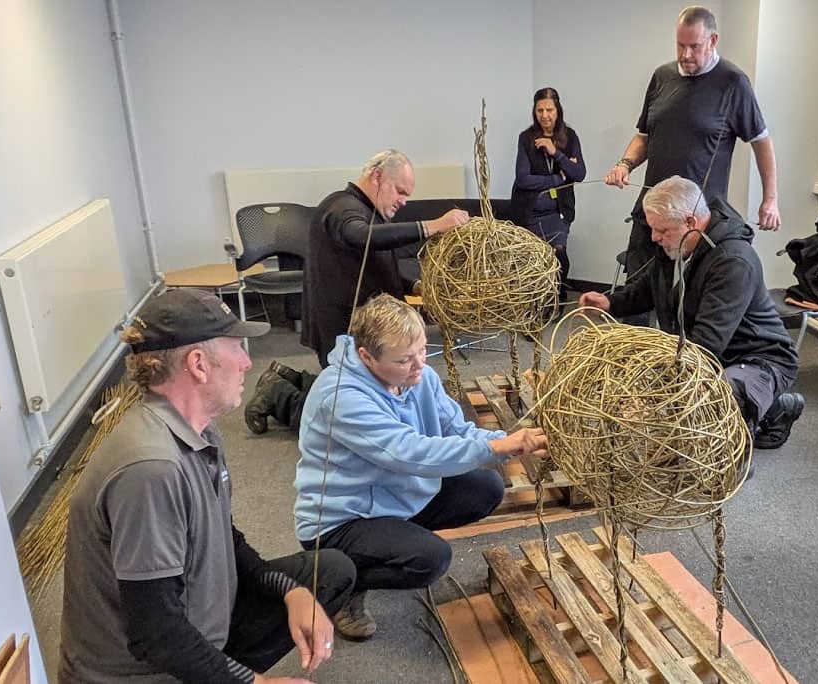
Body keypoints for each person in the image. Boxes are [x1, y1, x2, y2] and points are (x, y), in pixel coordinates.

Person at [59, 288, 356, 684]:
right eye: (237, 348)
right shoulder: (151, 469)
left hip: (192, 625)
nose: (248, 363)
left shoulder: (199, 432)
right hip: (143, 672)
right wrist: (254, 683)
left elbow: (223, 539)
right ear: (198, 363)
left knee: (329, 571)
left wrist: (290, 591)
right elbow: (155, 633)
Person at [293, 294, 549, 640]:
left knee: (486, 486)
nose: (418, 366)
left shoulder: (420, 377)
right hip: (342, 520)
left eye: (422, 352)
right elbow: (410, 453)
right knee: (430, 559)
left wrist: (513, 441)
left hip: (394, 495)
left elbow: (458, 431)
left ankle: (391, 542)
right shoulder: (340, 396)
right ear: (366, 356)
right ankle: (336, 583)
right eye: (403, 360)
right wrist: (496, 446)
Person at [245, 150, 468, 434]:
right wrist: (431, 226)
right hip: (343, 325)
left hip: (358, 324)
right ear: (377, 176)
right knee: (349, 417)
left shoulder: (363, 211)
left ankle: (287, 380)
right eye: (400, 191)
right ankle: (278, 397)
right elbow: (360, 237)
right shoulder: (342, 208)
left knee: (359, 389)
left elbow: (379, 263)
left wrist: (414, 286)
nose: (404, 201)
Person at [579, 176, 803, 450]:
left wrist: (657, 385)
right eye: (652, 229)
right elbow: (648, 290)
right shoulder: (675, 246)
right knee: (664, 395)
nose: (654, 237)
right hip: (709, 352)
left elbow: (706, 344)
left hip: (757, 358)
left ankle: (755, 414)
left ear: (690, 222)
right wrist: (610, 303)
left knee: (704, 412)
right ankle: (773, 406)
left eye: (661, 230)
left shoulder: (733, 261)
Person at [604, 5, 780, 324]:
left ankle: (681, 367)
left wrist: (771, 200)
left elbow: (762, 142)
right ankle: (633, 365)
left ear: (713, 40)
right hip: (652, 213)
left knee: (689, 306)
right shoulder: (662, 77)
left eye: (694, 46)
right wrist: (625, 164)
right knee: (638, 295)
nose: (686, 54)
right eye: (680, 45)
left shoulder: (733, 82)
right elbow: (643, 135)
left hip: (695, 222)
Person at [510, 87, 586, 301]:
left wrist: (556, 153)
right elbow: (523, 179)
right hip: (529, 212)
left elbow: (579, 173)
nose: (544, 115)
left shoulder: (570, 137)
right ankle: (536, 301)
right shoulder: (526, 138)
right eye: (540, 110)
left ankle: (558, 297)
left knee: (558, 253)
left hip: (558, 212)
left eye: (549, 110)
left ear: (558, 110)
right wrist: (558, 179)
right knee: (531, 260)